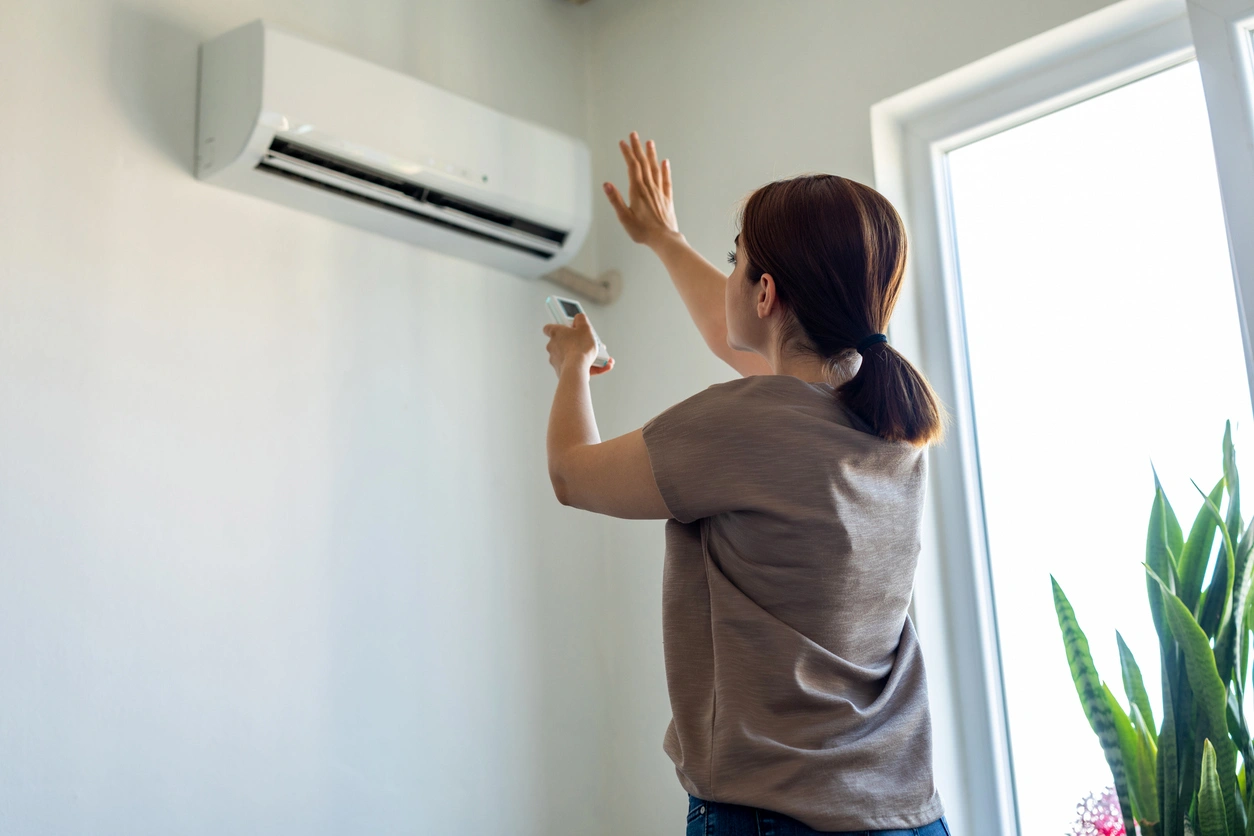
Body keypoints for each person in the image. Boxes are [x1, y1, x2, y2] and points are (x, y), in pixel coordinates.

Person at [541, 132, 951, 836]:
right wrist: (665, 239)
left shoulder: (740, 425)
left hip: (774, 818)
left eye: (737, 262)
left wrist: (573, 367)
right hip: (905, 815)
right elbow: (729, 331)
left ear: (765, 293)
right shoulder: (887, 426)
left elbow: (571, 475)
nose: (729, 276)